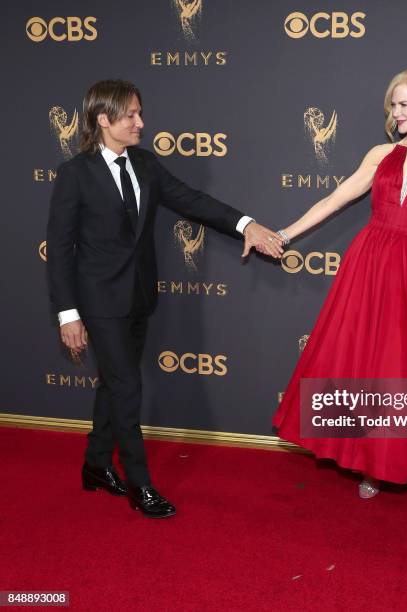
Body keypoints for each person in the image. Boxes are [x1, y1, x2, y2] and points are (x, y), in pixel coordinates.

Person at [47, 79, 283, 518]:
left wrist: (246, 224)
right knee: (127, 387)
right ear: (104, 120)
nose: (141, 122)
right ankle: (141, 485)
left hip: (139, 297)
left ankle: (96, 466)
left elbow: (194, 201)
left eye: (140, 113)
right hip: (98, 302)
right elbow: (59, 251)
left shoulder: (146, 165)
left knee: (114, 385)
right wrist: (67, 314)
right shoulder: (74, 175)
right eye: (131, 115)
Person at [273, 67, 407, 507]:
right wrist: (284, 234)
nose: (395, 113)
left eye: (403, 104)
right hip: (370, 263)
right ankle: (371, 459)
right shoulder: (379, 154)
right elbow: (334, 199)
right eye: (393, 105)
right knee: (369, 362)